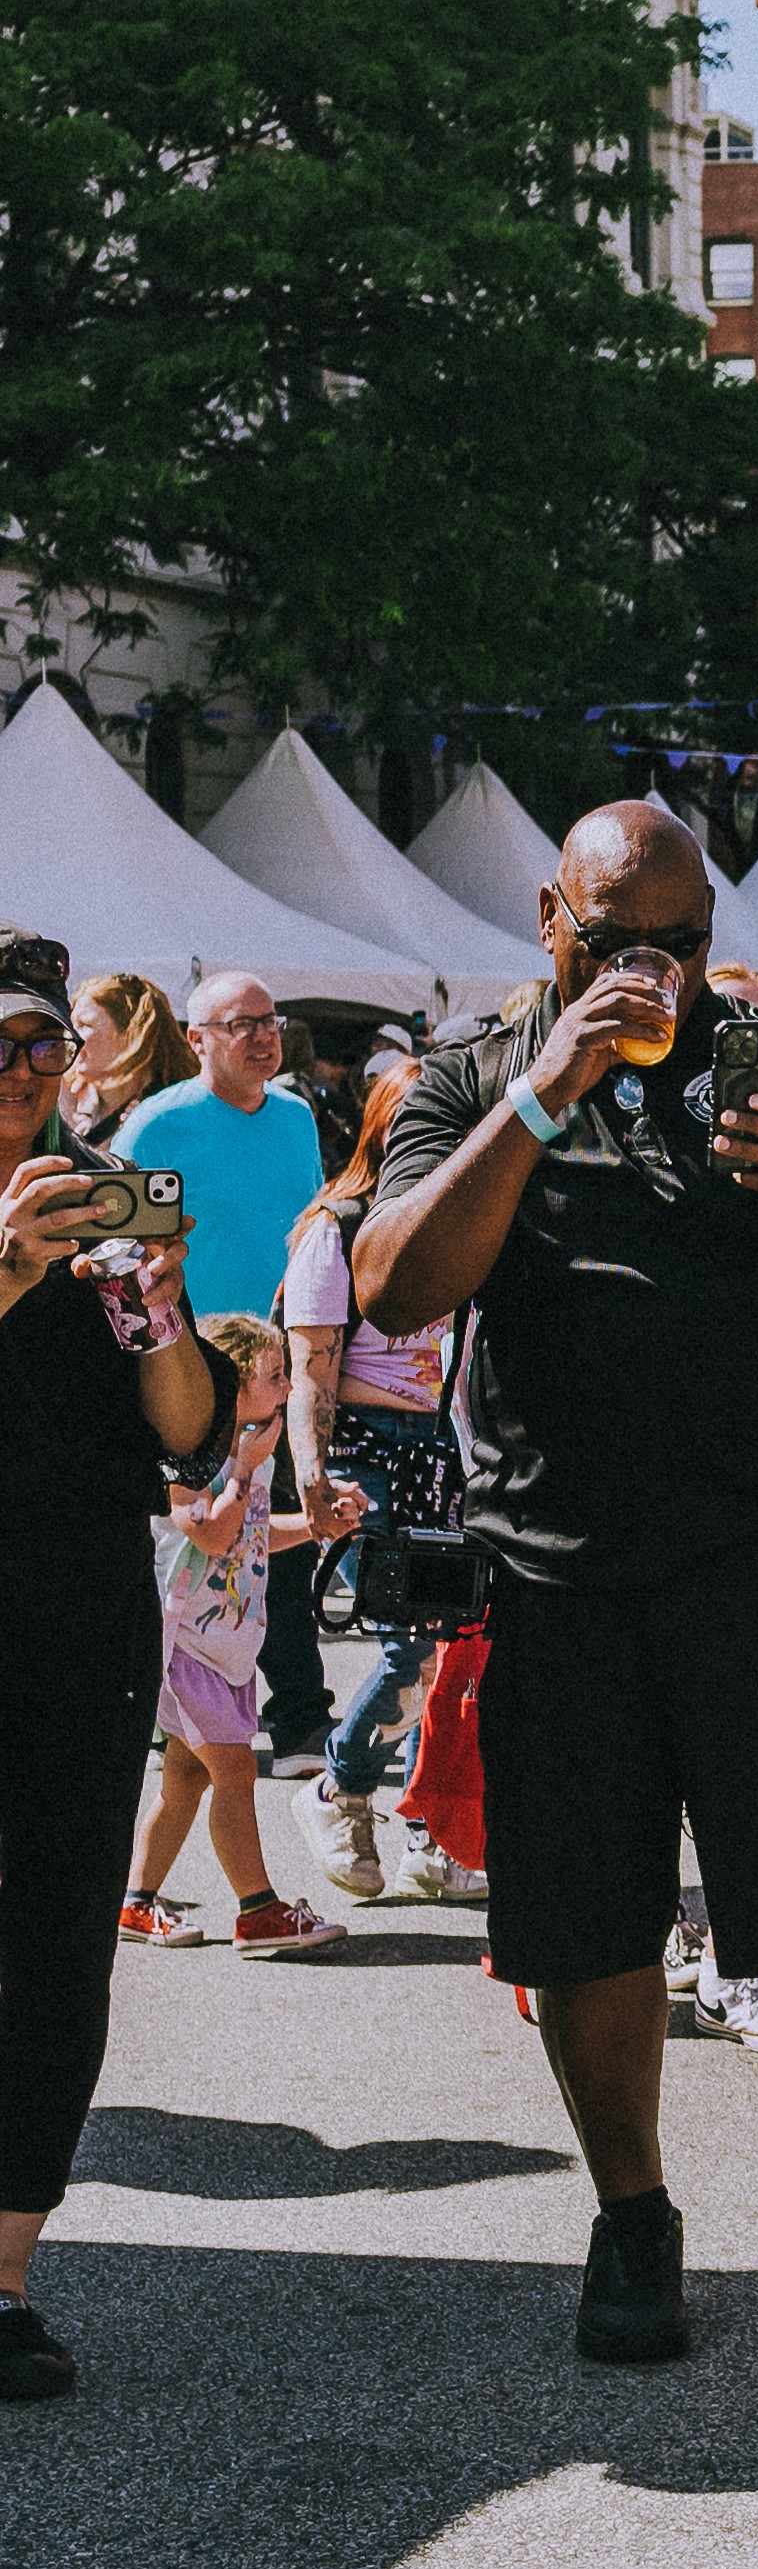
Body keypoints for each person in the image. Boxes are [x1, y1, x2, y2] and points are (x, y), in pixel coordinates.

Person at [354, 796, 758, 2374]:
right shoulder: (476, 1073)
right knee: (585, 1921)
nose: (655, 969)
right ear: (551, 920)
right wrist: (547, 1094)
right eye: (618, 939)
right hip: (560, 1567)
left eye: (684, 941)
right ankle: (633, 2216)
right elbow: (399, 1281)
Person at [0, 932, 224, 2394]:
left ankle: (6, 2272)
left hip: (78, 1597)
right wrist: (12, 1259)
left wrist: (157, 1299)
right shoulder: (34, 1223)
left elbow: (191, 1427)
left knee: (60, 1926)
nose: (27, 1070)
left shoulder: (100, 1196)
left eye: (39, 1046)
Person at [116, 971, 333, 1765]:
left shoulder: (298, 1117)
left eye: (270, 1021)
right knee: (185, 1534)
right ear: (198, 1037)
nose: (262, 1035)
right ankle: (160, 1693)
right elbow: (120, 1242)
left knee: (277, 1528)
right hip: (189, 1363)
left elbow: (310, 1231)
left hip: (271, 1360)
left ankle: (302, 1710)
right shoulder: (155, 1124)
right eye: (241, 1023)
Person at [283, 1061, 480, 1908]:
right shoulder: (340, 1225)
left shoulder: (465, 1225)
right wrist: (312, 1473)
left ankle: (420, 1826)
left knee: (447, 1639)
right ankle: (341, 1786)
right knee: (411, 1642)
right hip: (364, 1445)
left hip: (440, 1446)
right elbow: (310, 1367)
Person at [123, 1311, 351, 1956]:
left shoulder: (247, 1454)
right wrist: (247, 1466)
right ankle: (259, 1911)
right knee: (234, 1770)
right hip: (184, 1643)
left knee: (186, 1781)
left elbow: (252, 1538)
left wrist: (318, 1526)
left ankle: (137, 1902)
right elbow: (213, 1531)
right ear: (228, 1383)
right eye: (273, 1377)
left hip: (226, 1646)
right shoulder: (188, 1458)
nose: (286, 1389)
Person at [63, 969, 185, 1142]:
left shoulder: (172, 1113)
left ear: (130, 1033)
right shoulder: (70, 1105)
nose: (69, 1036)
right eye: (71, 1025)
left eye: (84, 1025)